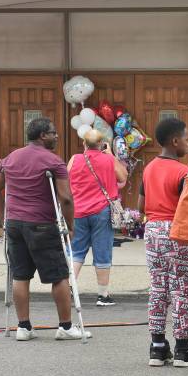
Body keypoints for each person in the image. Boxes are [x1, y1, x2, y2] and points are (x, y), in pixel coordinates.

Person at [0, 117, 84, 341]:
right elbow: (66, 199)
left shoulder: (10, 158)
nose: (57, 136)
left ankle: (23, 327)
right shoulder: (53, 161)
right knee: (59, 276)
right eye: (53, 133)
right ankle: (66, 327)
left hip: (14, 225)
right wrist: (70, 226)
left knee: (20, 275)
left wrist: (5, 218)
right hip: (42, 224)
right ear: (43, 136)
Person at [138, 118, 188, 368]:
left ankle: (157, 346)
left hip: (152, 230)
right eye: (186, 138)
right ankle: (183, 349)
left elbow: (141, 206)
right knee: (182, 289)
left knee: (158, 288)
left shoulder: (148, 168)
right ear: (175, 141)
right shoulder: (182, 172)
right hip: (177, 231)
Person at [67, 129, 128, 306]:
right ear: (102, 144)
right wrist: (110, 153)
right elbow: (123, 176)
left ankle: (69, 288)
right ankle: (103, 295)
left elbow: (65, 179)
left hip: (78, 211)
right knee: (103, 251)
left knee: (76, 251)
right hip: (101, 211)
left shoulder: (75, 159)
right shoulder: (108, 159)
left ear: (84, 144)